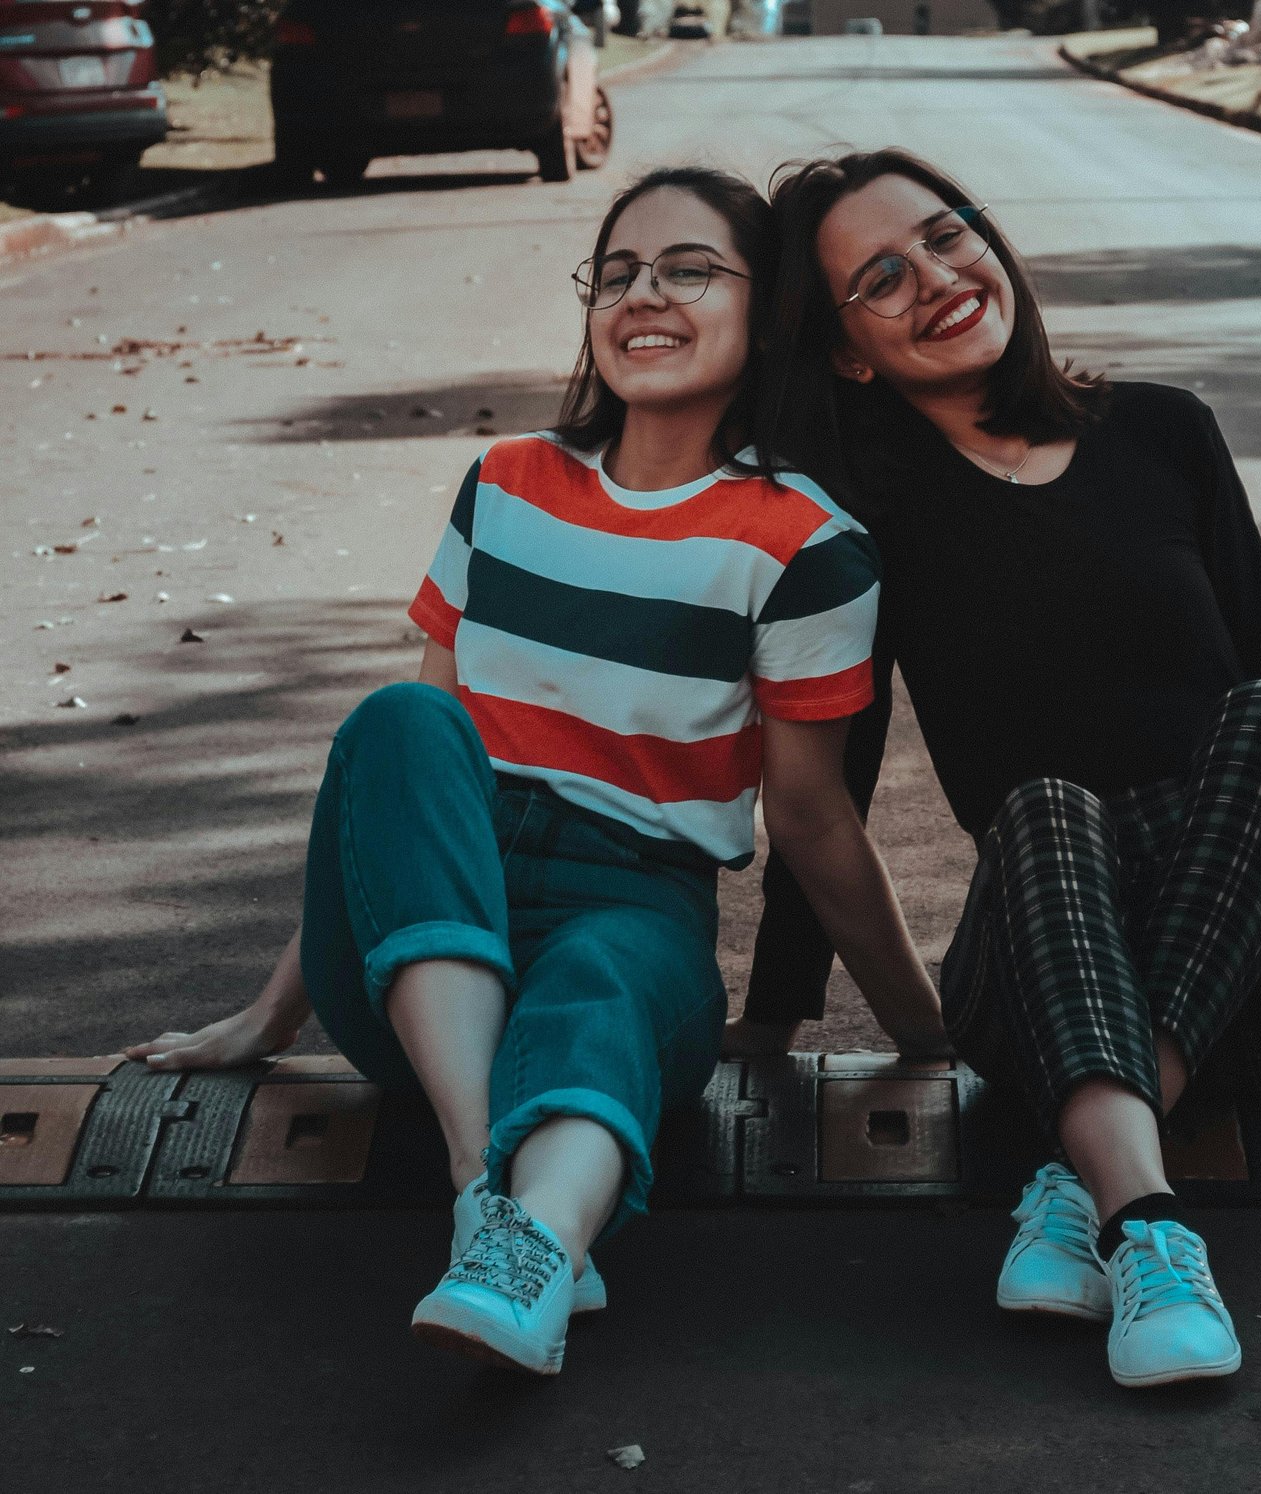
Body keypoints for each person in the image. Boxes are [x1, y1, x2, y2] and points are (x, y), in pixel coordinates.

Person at [124, 165, 945, 1377]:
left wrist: (927, 1031)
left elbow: (813, 819)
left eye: (686, 269)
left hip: (633, 906)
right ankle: (483, 1188)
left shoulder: (806, 545)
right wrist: (271, 1012)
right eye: (616, 274)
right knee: (402, 720)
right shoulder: (505, 484)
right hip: (423, 947)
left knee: (603, 983)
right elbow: (401, 808)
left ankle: (535, 1253)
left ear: (763, 310)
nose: (642, 295)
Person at [740, 149, 1261, 1389]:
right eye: (881, 279)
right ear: (844, 353)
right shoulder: (862, 519)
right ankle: (1150, 1234)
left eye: (947, 237)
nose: (938, 278)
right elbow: (830, 780)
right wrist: (779, 1009)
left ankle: (1086, 1166)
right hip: (1047, 969)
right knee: (1046, 806)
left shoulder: (1164, 430)